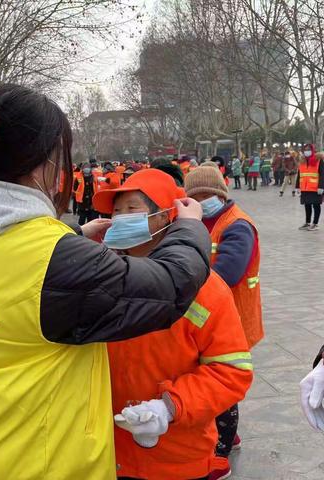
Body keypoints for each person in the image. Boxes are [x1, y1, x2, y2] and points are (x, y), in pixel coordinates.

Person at [0, 84, 211, 480]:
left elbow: (16, 269)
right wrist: (191, 229)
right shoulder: (52, 260)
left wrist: (69, 238)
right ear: (46, 163)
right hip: (10, 463)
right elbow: (170, 288)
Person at [92, 169, 253, 480]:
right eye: (116, 211)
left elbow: (232, 372)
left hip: (176, 457)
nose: (120, 218)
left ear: (167, 216)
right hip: (107, 452)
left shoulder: (206, 289)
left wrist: (169, 408)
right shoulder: (101, 276)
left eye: (132, 209)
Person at [185, 164, 264, 480]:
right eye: (195, 196)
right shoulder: (199, 221)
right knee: (207, 378)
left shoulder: (237, 226)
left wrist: (178, 277)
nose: (202, 200)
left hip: (235, 320)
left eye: (207, 195)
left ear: (220, 193)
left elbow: (227, 272)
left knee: (221, 383)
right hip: (208, 318)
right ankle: (227, 434)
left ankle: (222, 448)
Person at [296, 144, 324, 231]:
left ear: (312, 150)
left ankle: (315, 224)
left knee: (316, 205)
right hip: (305, 188)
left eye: (308, 149)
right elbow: (299, 174)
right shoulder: (302, 161)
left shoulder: (318, 160)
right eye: (305, 150)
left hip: (316, 188)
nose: (306, 151)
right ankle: (307, 223)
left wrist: (321, 186)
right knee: (307, 205)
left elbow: (322, 174)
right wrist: (297, 186)